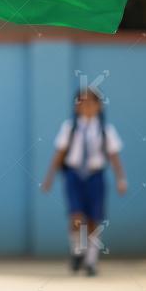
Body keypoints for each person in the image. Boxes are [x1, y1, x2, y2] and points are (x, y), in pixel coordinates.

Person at [42, 88, 128, 276]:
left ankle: (91, 261)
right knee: (76, 216)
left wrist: (121, 178)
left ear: (99, 106)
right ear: (76, 106)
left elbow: (114, 156)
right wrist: (49, 178)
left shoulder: (106, 130)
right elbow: (60, 154)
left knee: (93, 220)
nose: (86, 107)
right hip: (74, 175)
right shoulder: (70, 128)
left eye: (91, 103)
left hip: (95, 176)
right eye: (82, 103)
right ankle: (77, 250)